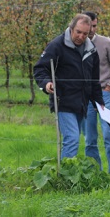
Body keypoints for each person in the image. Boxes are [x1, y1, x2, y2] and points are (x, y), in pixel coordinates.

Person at [34, 14, 104, 161]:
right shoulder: (57, 46)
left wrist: (98, 102)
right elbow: (40, 69)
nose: (81, 36)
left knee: (73, 140)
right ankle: (66, 177)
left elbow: (94, 80)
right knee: (72, 139)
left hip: (81, 103)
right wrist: (47, 83)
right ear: (71, 28)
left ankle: (67, 172)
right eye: (78, 32)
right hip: (63, 101)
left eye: (85, 33)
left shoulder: (91, 50)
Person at [82, 11, 110, 174]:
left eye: (94, 26)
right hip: (86, 97)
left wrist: (109, 87)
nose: (92, 29)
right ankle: (94, 172)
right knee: (90, 138)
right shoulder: (76, 45)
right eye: (89, 26)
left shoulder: (106, 43)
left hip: (104, 94)